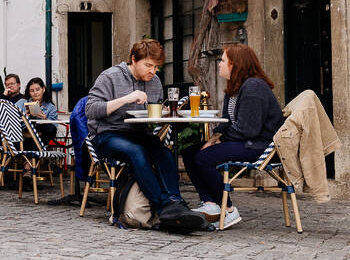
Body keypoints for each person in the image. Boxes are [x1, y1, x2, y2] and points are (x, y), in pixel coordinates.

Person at [85, 40, 207, 231]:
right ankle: (164, 207)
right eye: (148, 65)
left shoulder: (155, 82)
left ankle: (174, 202)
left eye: (156, 67)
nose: (152, 71)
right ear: (134, 60)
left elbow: (152, 113)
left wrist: (164, 112)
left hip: (138, 132)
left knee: (163, 151)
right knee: (137, 152)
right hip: (107, 134)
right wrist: (127, 98)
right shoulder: (110, 77)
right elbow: (91, 110)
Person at [182, 44, 284, 229]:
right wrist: (214, 138)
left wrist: (219, 140)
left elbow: (248, 129)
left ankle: (228, 209)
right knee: (190, 152)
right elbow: (228, 122)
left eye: (223, 61)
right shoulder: (235, 87)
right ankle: (211, 204)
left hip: (260, 146)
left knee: (204, 158)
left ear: (235, 64)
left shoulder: (254, 86)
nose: (219, 64)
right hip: (244, 141)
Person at [17, 77, 58, 143]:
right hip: (23, 133)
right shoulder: (22, 102)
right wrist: (24, 117)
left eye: (37, 89)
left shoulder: (51, 107)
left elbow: (53, 128)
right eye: (32, 91)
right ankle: (28, 136)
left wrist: (44, 119)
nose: (35, 92)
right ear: (29, 92)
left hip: (40, 138)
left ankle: (30, 136)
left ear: (43, 89)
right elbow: (11, 117)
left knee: (51, 127)